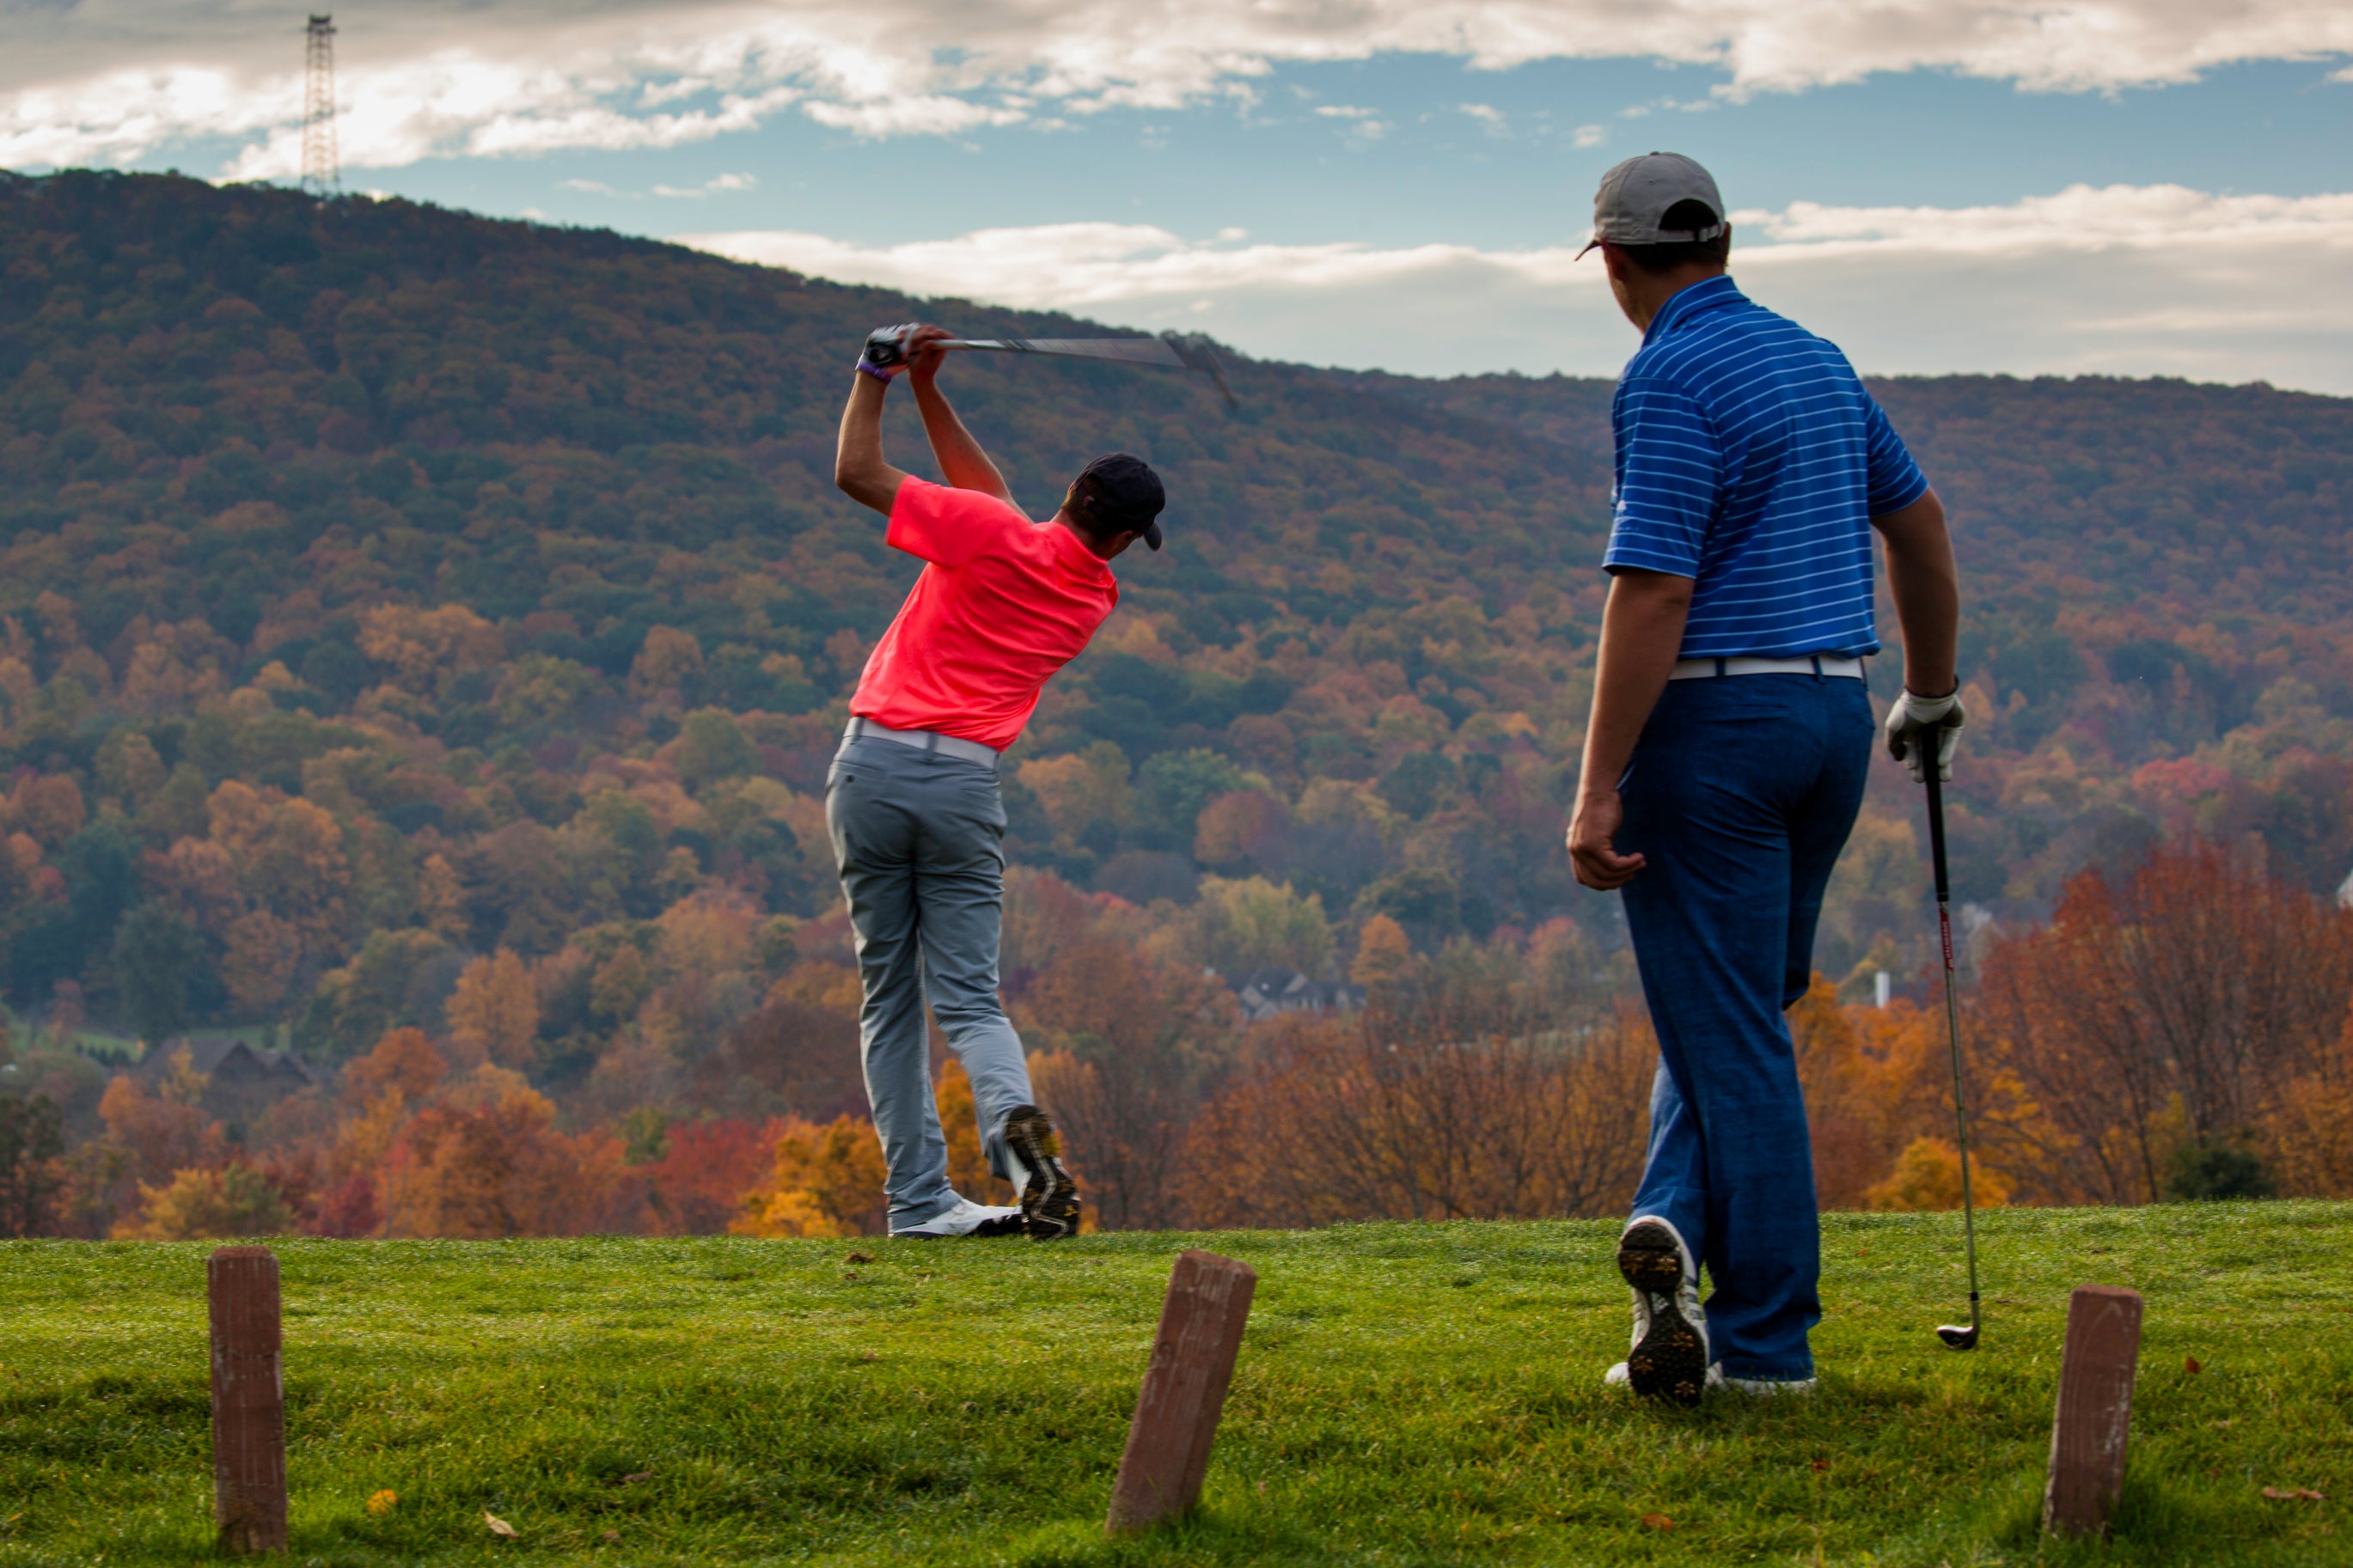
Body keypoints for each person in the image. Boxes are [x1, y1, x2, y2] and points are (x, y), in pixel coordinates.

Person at [1564, 153, 1965, 1400]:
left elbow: (1655, 589)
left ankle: (1766, 1350)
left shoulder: (1667, 375)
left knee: (1732, 1037)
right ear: (1725, 243)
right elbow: (1919, 527)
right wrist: (1932, 690)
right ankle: (1673, 1225)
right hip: (1831, 716)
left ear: (1616, 265)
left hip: (1714, 729)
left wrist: (1596, 783)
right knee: (1740, 1005)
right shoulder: (1817, 359)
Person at [829, 321, 1167, 1239]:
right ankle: (1018, 1148)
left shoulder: (986, 534)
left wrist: (877, 373)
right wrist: (932, 390)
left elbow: (858, 474)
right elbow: (991, 504)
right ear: (1128, 538)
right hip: (965, 787)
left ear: (1069, 491)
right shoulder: (1090, 593)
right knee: (970, 997)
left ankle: (918, 1200)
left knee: (888, 997)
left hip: (873, 767)